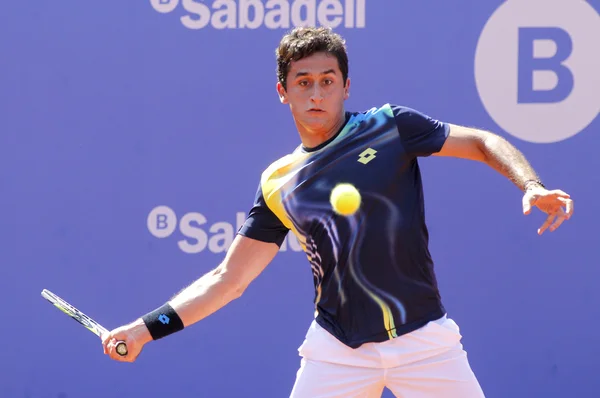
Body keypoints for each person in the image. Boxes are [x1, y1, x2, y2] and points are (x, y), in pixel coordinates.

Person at [102, 27, 574, 397]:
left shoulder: (390, 126)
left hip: (426, 341)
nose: (316, 94)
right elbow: (230, 280)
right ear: (282, 91)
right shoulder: (279, 181)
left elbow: (479, 141)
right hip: (337, 350)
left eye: (327, 82)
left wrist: (530, 184)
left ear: (346, 85)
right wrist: (144, 331)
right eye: (302, 83)